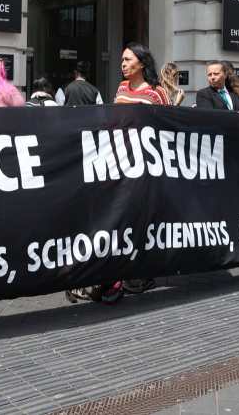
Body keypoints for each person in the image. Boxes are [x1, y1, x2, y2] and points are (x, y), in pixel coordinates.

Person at [67, 43, 167, 305]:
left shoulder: (157, 94)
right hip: (120, 165)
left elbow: (168, 130)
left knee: (140, 220)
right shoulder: (121, 88)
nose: (122, 64)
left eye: (128, 59)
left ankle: (140, 273)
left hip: (146, 169)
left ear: (142, 64)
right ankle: (116, 276)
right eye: (121, 60)